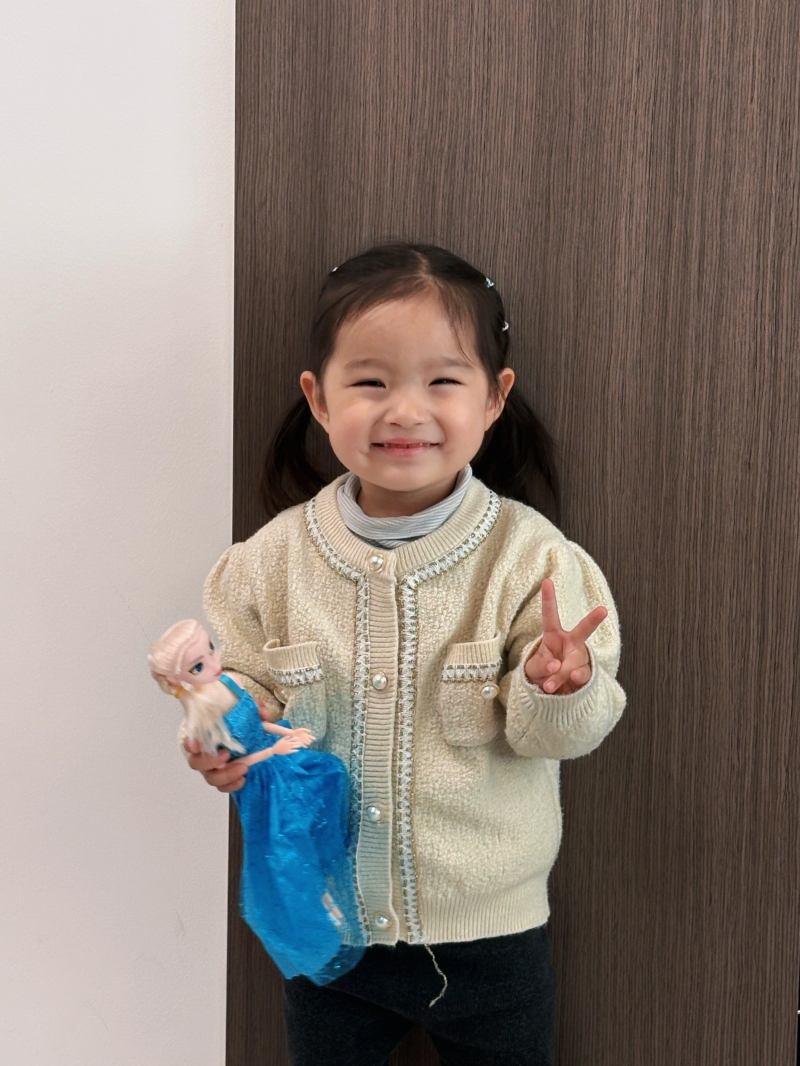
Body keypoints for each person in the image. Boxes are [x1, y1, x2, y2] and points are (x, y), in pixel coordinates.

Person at [185, 242, 627, 1065]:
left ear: (494, 399)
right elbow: (246, 685)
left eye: (443, 381)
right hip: (325, 923)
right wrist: (226, 727)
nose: (405, 411)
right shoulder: (268, 562)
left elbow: (560, 736)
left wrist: (559, 687)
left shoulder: (531, 558)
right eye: (371, 382)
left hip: (493, 940)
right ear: (319, 399)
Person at [150, 619, 365, 983]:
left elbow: (258, 722)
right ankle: (320, 904)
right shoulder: (204, 718)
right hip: (263, 779)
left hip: (276, 755)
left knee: (329, 774)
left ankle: (330, 861)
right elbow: (239, 757)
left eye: (211, 650)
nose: (214, 663)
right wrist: (275, 751)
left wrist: (286, 732)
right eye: (199, 666)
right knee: (285, 844)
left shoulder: (228, 685)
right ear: (181, 679)